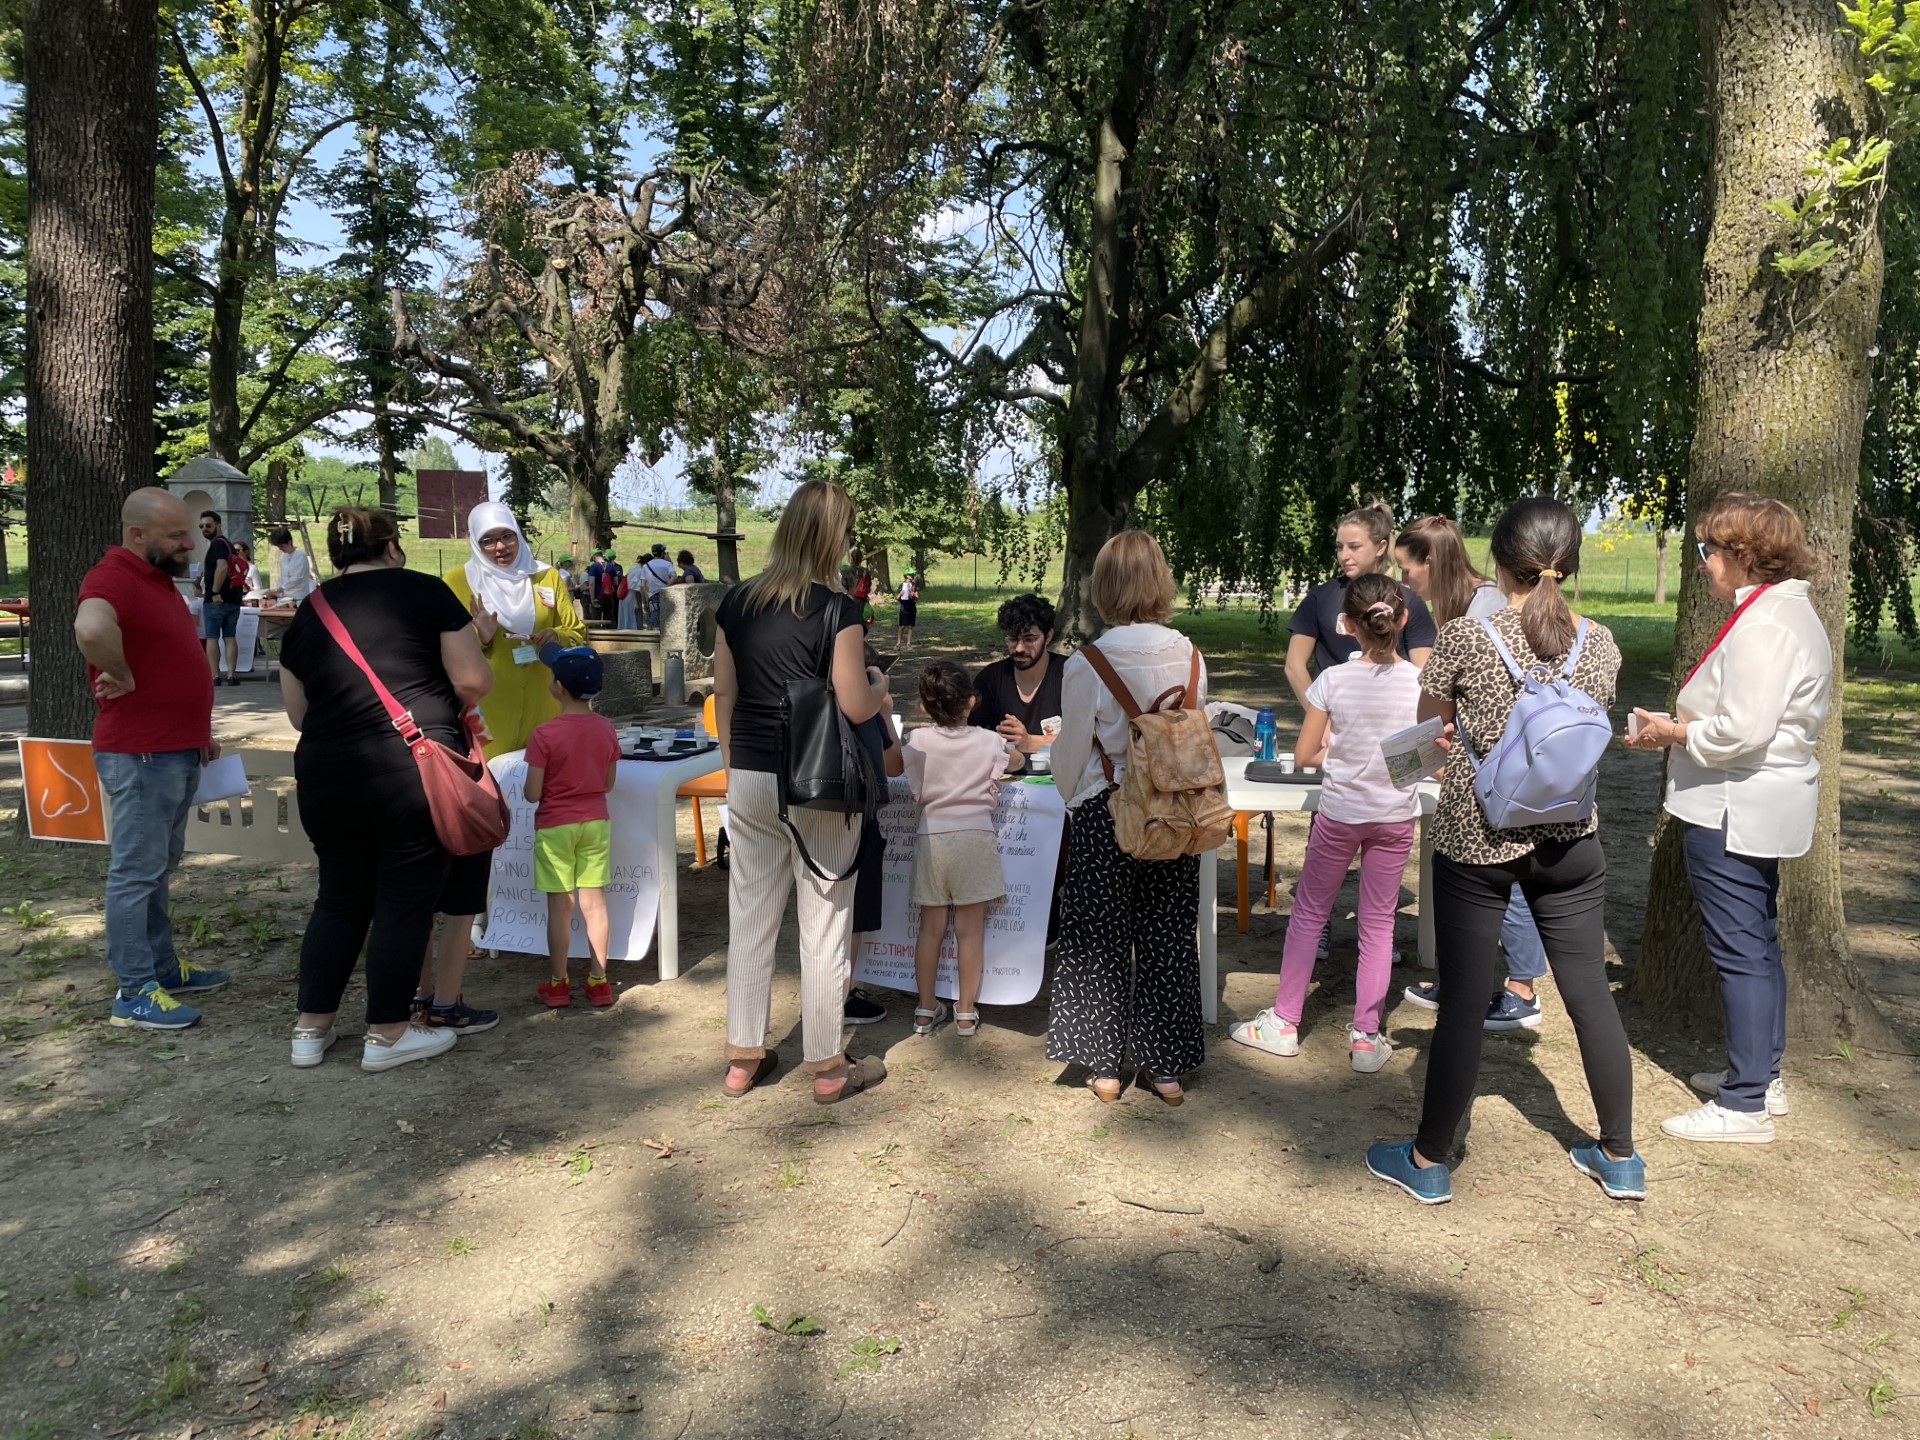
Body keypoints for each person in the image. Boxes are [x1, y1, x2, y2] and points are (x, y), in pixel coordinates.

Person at [1366, 497, 1642, 1205]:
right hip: (1570, 837)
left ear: (1499, 562)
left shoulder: (1466, 636)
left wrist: (1451, 735)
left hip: (1476, 834)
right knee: (1588, 996)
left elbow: (1432, 728)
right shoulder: (1603, 643)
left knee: (1461, 1001)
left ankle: (1428, 1160)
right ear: (1570, 562)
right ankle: (1620, 1155)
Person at [1626, 494, 1832, 1144]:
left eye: (1707, 551)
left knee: (1741, 951)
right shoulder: (1780, 612)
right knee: (1757, 944)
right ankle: (1760, 1078)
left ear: (1744, 556)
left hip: (1733, 805)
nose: (1703, 563)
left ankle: (1743, 1104)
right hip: (1752, 800)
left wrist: (1674, 732)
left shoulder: (1767, 625)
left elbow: (1743, 728)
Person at [280, 506, 492, 1072]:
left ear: (336, 551)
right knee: (404, 898)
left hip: (325, 771)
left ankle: (310, 1029)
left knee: (339, 899)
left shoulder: (310, 609)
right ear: (392, 547)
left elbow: (298, 713)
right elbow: (472, 680)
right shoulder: (425, 593)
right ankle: (389, 1031)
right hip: (409, 768)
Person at [713, 479, 892, 1102]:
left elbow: (726, 697)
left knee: (751, 918)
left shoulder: (735, 603)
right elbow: (852, 700)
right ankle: (828, 1066)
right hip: (818, 782)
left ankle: (743, 1057)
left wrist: (739, 768)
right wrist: (882, 693)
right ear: (832, 536)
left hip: (752, 775)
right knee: (825, 923)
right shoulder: (836, 609)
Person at [1229, 574, 1421, 1073]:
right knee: (1379, 925)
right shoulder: (1419, 683)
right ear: (1401, 619)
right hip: (1395, 817)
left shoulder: (1332, 680)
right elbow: (1425, 759)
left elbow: (1308, 754)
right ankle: (1366, 1036)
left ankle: (1284, 1021)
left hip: (1339, 815)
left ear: (1347, 625)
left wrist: (1339, 743)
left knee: (1310, 913)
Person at [1047, 530, 1207, 1106]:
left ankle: (1105, 1065)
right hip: (1174, 814)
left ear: (1106, 586)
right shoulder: (1190, 655)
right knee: (1167, 932)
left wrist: (1072, 791)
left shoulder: (1090, 662)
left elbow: (1070, 754)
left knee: (1099, 937)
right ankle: (1166, 1069)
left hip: (1106, 809)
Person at [421, 503, 585, 1030]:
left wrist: (556, 641)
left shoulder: (547, 577)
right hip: (483, 716)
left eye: (506, 537)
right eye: (489, 539)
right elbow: (438, 650)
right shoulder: (453, 581)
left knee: (543, 810)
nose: (499, 548)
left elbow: (577, 633)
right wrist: (485, 637)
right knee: (483, 815)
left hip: (543, 707)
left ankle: (542, 915)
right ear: (474, 540)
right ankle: (475, 925)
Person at [74, 488, 228, 1031]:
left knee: (157, 870)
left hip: (172, 747)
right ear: (138, 536)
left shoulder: (154, 578)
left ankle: (162, 968)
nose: (190, 543)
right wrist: (121, 672)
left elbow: (169, 658)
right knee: (136, 874)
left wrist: (197, 730)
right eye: (176, 536)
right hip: (140, 754)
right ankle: (134, 990)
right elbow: (91, 627)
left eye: (188, 532)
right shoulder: (113, 576)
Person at [1394, 515, 1547, 1030]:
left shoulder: (1482, 606)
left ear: (1431, 562)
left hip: (1499, 763)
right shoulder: (1463, 603)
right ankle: (1465, 982)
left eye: (1406, 568)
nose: (1404, 581)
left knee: (1505, 869)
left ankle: (1522, 988)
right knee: (1471, 875)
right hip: (1477, 757)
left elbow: (1486, 690)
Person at [1285, 504, 1436, 960]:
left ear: (1380, 548)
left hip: (1390, 752)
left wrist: (1403, 737)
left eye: (1354, 546)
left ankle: (1376, 934)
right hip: (1337, 742)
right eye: (1339, 547)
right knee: (1326, 832)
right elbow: (1296, 664)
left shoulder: (1409, 603)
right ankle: (1323, 927)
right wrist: (1324, 717)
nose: (1344, 555)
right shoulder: (1320, 598)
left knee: (1383, 848)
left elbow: (1424, 680)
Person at [903, 661, 1011, 1037]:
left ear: (923, 706)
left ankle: (925, 1008)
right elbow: (1017, 760)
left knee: (930, 930)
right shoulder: (989, 741)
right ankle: (965, 1012)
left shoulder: (917, 741)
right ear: (971, 702)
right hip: (975, 840)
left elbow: (915, 789)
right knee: (970, 932)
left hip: (931, 837)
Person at [526, 648, 623, 1009]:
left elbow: (533, 792)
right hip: (596, 822)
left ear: (558, 687)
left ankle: (559, 982)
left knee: (560, 907)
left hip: (555, 826)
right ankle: (599, 980)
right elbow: (608, 783)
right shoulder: (606, 729)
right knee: (595, 904)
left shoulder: (543, 734)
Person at [970, 593, 1064, 766]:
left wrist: (1029, 742)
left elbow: (1089, 741)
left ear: (1049, 636)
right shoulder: (989, 679)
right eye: (1012, 639)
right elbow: (969, 737)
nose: (1019, 648)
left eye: (1030, 639)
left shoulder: (1070, 675)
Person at [198, 510, 245, 686]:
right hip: (233, 598)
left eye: (208, 526)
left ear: (218, 525)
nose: (204, 529)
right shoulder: (229, 545)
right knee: (229, 637)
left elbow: (222, 567)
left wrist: (215, 592)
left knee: (212, 637)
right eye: (201, 527)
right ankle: (231, 675)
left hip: (217, 600)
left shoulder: (217, 545)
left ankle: (215, 676)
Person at [264, 527, 314, 605]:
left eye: (282, 546)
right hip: (285, 597)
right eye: (278, 546)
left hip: (299, 596)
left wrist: (281, 588)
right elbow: (283, 577)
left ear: (289, 542)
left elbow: (297, 578)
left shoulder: (300, 555)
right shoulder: (283, 557)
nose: (280, 548)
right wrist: (277, 591)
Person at [639, 542, 678, 628]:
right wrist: (666, 587)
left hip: (652, 597)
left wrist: (645, 602)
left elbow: (642, 586)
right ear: (663, 552)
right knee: (668, 623)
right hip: (666, 596)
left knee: (654, 624)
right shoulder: (667, 564)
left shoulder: (646, 566)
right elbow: (674, 577)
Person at [895, 572, 920, 650]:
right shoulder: (901, 585)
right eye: (910, 575)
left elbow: (917, 598)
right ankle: (898, 644)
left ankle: (908, 644)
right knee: (902, 626)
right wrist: (900, 594)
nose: (912, 576)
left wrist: (915, 596)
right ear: (906, 576)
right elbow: (897, 598)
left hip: (912, 607)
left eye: (913, 574)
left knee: (910, 626)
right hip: (904, 607)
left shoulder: (914, 585)